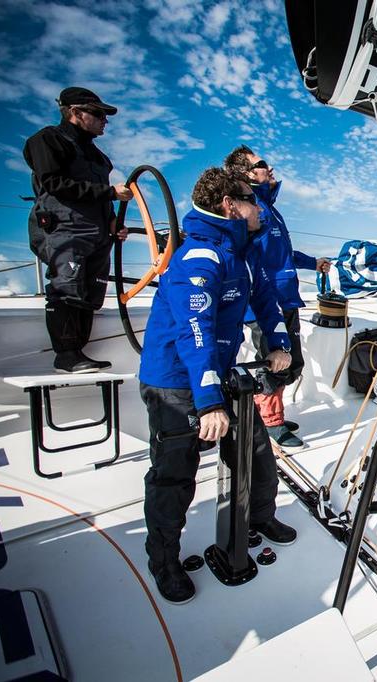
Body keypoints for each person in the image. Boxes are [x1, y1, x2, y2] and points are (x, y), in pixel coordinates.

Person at [138, 168, 296, 604]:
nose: (259, 207)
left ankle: (260, 517)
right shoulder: (200, 257)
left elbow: (265, 299)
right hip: (174, 381)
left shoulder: (242, 255)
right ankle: (164, 560)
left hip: (215, 371)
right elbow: (195, 331)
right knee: (175, 475)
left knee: (256, 451)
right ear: (229, 205)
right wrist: (209, 402)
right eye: (251, 199)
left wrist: (280, 342)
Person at [223, 145, 330, 450]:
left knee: (291, 362)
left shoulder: (269, 209)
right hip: (266, 301)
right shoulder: (250, 209)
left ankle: (269, 414)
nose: (270, 169)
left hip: (286, 298)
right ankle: (270, 422)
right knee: (275, 361)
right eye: (261, 164)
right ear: (245, 173)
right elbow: (245, 258)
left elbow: (283, 254)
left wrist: (314, 263)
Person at [23, 87, 134, 373]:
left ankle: (79, 352)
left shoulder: (98, 157)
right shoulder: (47, 140)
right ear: (75, 113)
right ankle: (66, 354)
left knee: (89, 292)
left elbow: (102, 197)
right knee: (66, 288)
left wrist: (113, 221)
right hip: (65, 229)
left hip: (96, 233)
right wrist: (109, 192)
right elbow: (54, 184)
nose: (104, 120)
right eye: (98, 114)